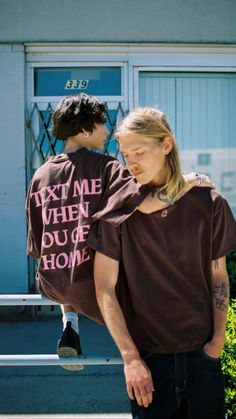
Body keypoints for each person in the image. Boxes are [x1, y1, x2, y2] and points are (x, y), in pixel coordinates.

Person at [26, 94, 211, 371]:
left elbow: (38, 245)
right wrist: (188, 181)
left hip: (54, 282)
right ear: (87, 128)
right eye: (103, 122)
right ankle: (140, 352)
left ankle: (69, 324)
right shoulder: (107, 168)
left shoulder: (40, 175)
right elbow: (146, 203)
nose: (109, 130)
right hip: (94, 282)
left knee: (69, 263)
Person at [87, 107, 236, 419]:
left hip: (202, 355)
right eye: (126, 154)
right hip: (147, 360)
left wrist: (217, 342)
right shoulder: (118, 209)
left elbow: (218, 275)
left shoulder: (209, 203)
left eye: (139, 151)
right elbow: (104, 288)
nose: (131, 163)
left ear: (166, 145)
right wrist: (130, 358)